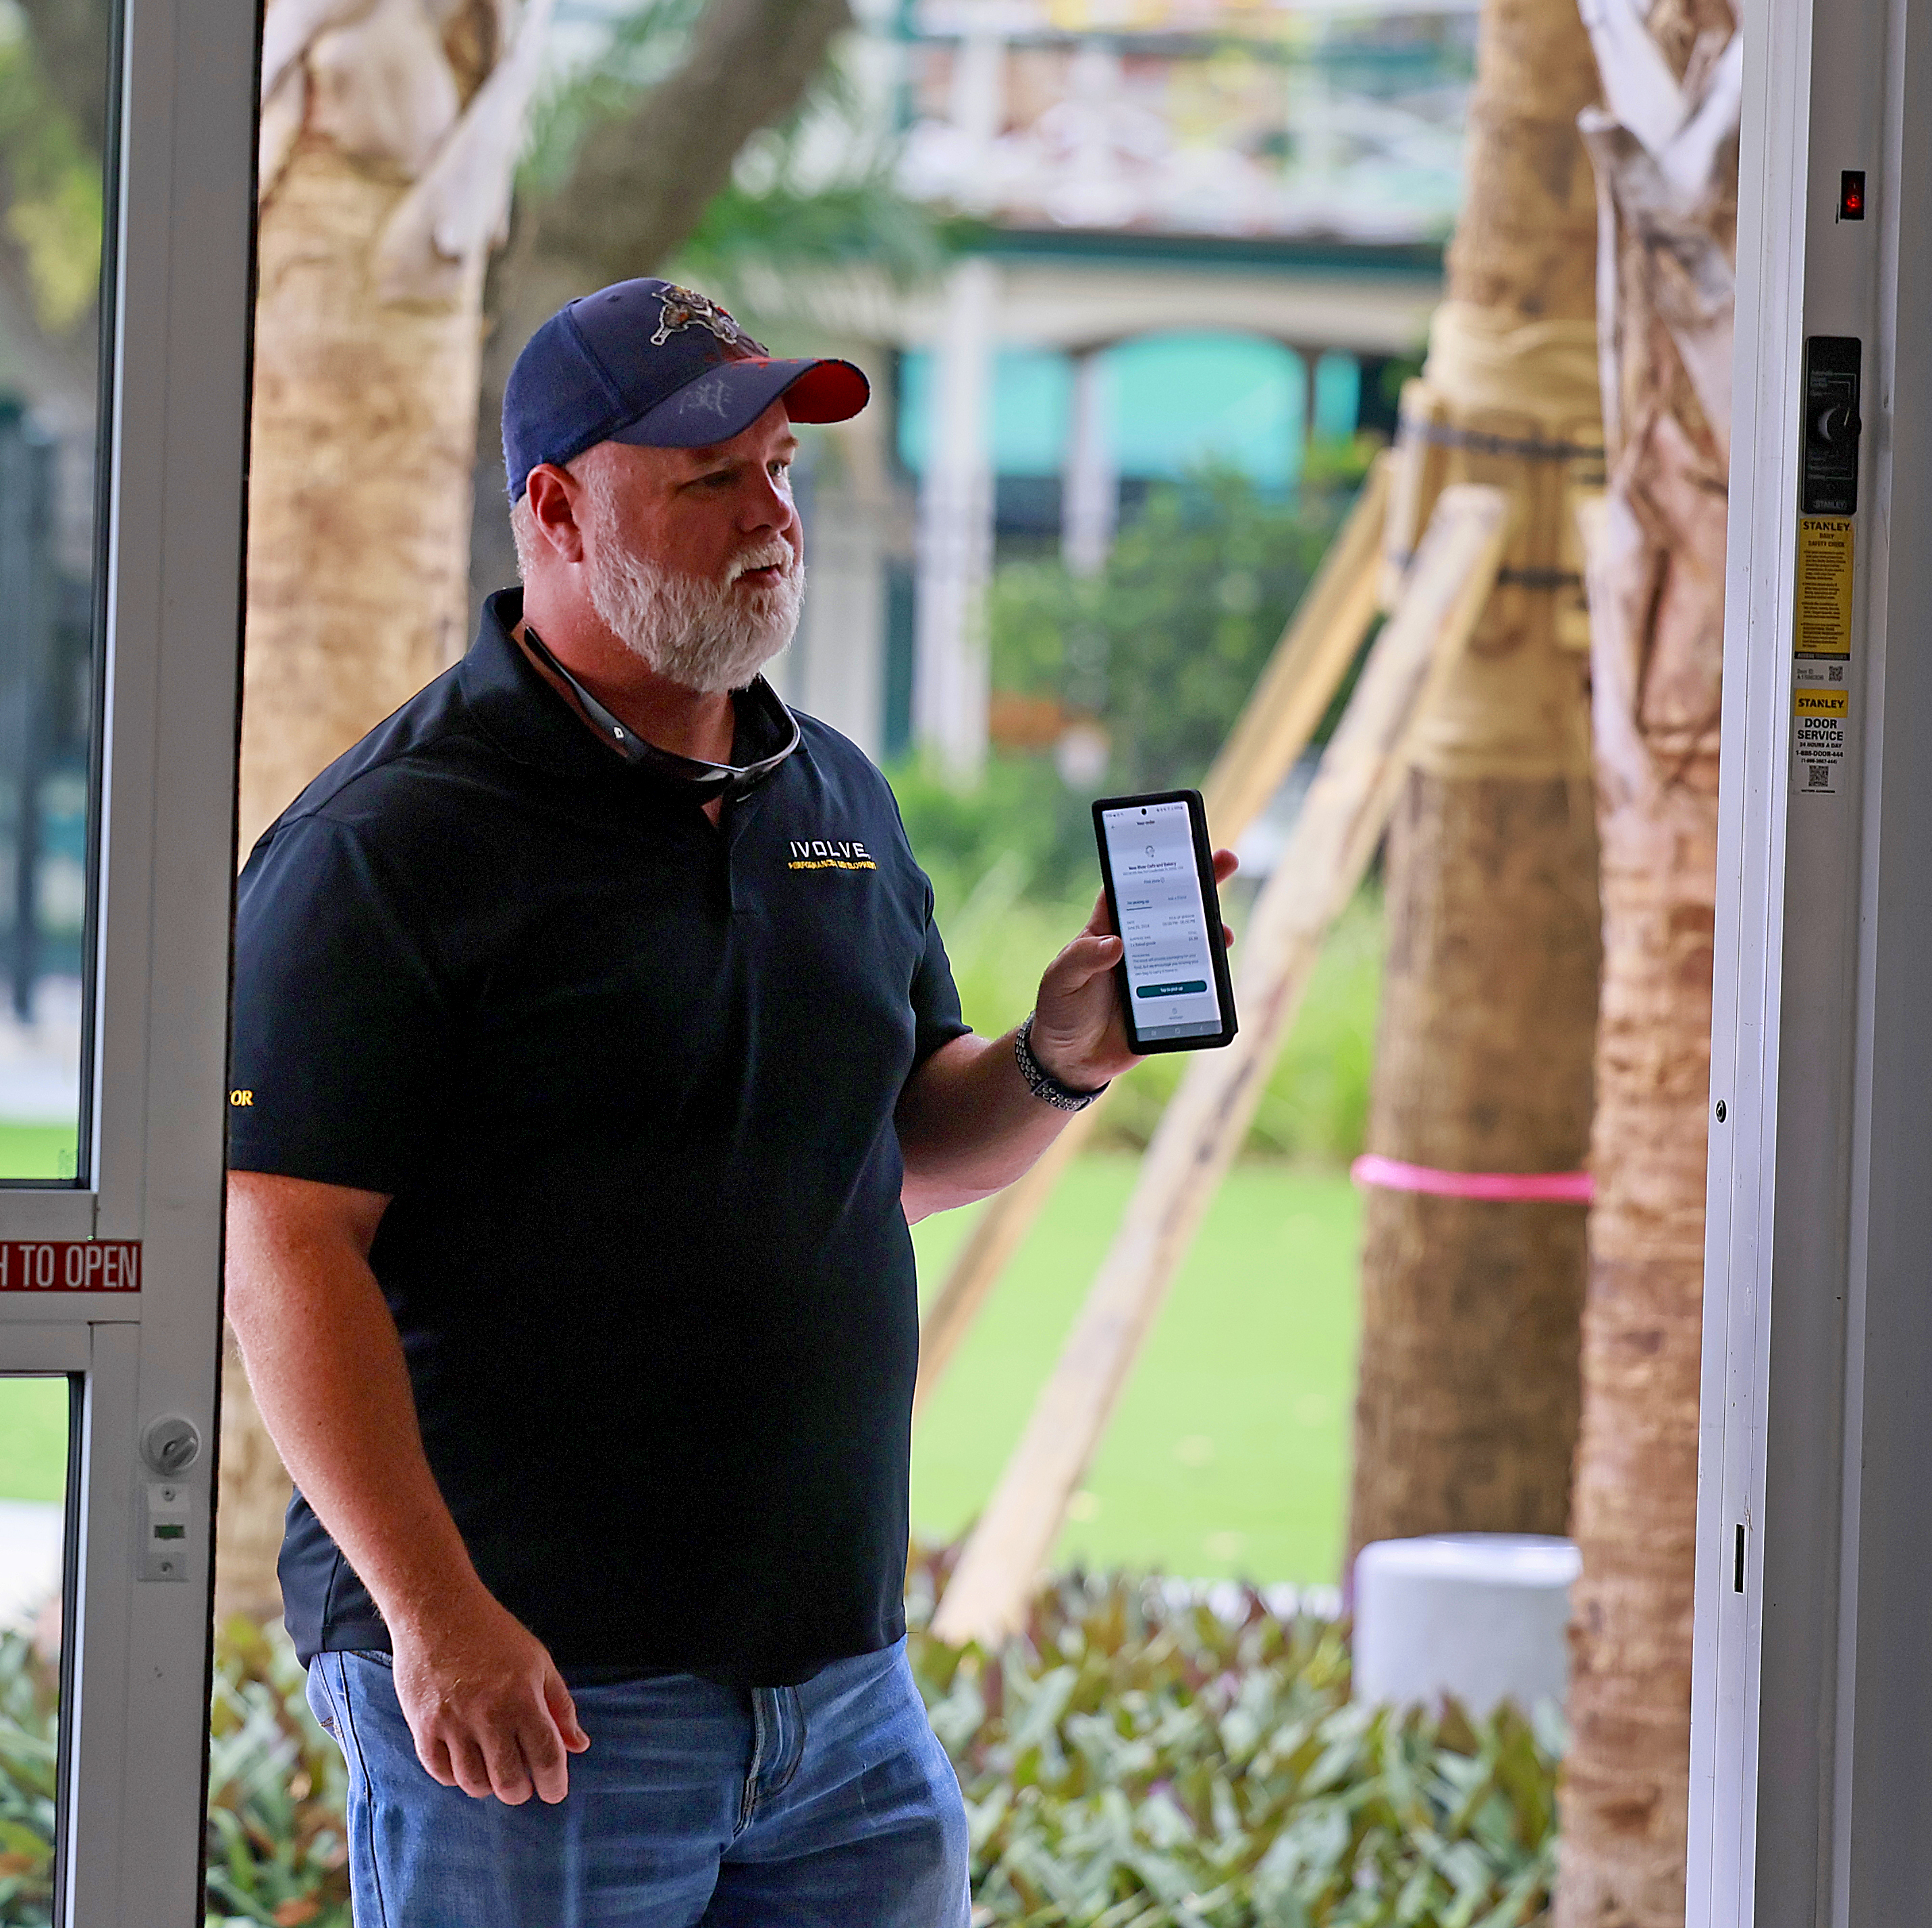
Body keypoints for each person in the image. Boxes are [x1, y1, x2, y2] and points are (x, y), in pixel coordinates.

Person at [220, 278, 1230, 1925]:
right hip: (538, 1704)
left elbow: (895, 1147)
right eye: (710, 482)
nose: (772, 518)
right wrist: (438, 1619)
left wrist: (1059, 1059)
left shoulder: (830, 791)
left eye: (781, 473)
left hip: (841, 1698)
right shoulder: (388, 846)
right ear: (553, 507)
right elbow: (281, 1247)